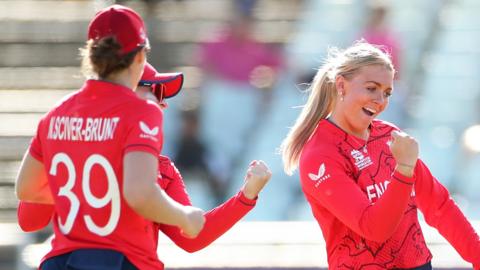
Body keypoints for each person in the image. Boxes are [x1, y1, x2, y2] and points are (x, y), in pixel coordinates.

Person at [17, 62, 272, 267]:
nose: (163, 103)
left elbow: (29, 219)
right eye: (156, 92)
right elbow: (192, 235)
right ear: (128, 90)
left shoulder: (68, 141)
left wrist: (246, 196)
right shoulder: (156, 168)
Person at [15, 5, 205, 270]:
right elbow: (139, 194)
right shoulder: (141, 110)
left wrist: (92, 195)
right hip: (121, 260)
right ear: (140, 57)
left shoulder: (58, 112)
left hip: (61, 261)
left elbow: (26, 189)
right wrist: (185, 217)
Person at [280, 42, 480, 269]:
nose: (380, 100)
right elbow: (373, 228)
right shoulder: (320, 156)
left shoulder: (389, 136)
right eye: (371, 88)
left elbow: (439, 206)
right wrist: (404, 170)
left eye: (387, 93)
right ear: (341, 85)